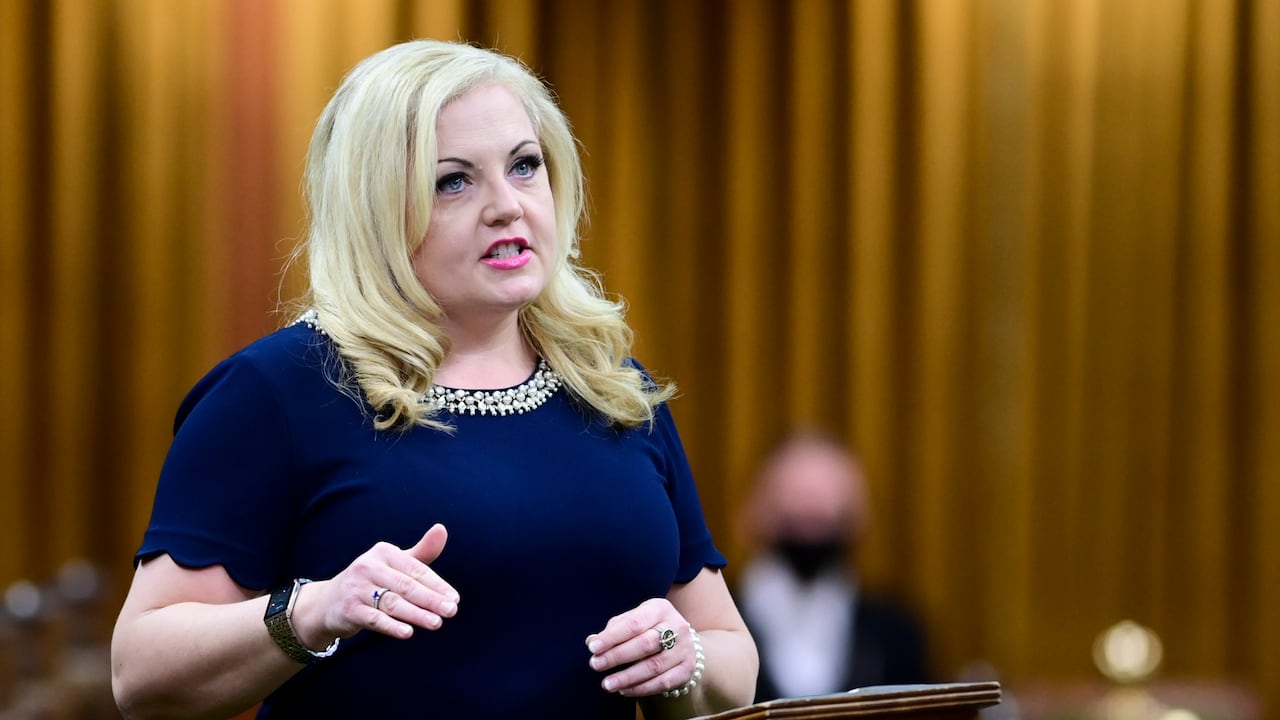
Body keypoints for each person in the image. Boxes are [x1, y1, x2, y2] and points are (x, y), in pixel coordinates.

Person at [110, 39, 757, 719]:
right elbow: (142, 672)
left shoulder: (614, 390)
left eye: (525, 166)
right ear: (377, 209)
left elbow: (730, 655)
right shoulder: (277, 392)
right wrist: (314, 610)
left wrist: (687, 663)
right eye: (453, 180)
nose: (508, 205)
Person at [736, 431, 929, 701]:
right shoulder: (711, 621)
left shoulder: (895, 631)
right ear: (754, 509)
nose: (812, 509)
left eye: (828, 498)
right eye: (796, 494)